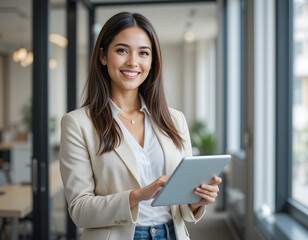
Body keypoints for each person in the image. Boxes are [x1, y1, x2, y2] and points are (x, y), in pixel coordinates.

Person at [59, 12, 222, 240]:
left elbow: (183, 207)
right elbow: (80, 210)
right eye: (122, 50)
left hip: (171, 234)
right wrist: (137, 195)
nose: (133, 62)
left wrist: (198, 200)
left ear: (152, 61)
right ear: (103, 56)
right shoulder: (78, 124)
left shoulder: (175, 120)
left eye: (143, 53)